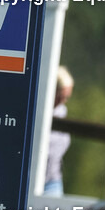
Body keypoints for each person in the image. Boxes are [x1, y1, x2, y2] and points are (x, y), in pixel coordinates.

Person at [43, 66, 74, 196]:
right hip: (32, 179)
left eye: (67, 97)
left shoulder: (62, 112)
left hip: (52, 180)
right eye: (61, 96)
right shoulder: (35, 110)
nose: (63, 101)